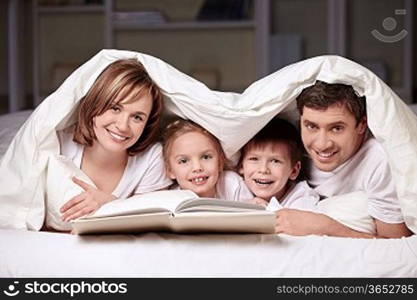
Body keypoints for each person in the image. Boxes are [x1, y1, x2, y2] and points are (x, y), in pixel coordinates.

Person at [275, 80, 412, 238]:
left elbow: (393, 246)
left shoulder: (379, 160)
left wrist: (323, 226)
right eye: (311, 126)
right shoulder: (291, 145)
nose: (322, 144)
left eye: (336, 128)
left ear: (362, 125)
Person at [59, 59, 172, 222]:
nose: (123, 126)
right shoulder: (61, 144)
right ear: (94, 104)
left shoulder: (151, 159)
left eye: (137, 117)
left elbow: (149, 221)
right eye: (115, 108)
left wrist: (109, 203)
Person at [238, 117, 318, 211]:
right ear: (241, 165)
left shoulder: (303, 198)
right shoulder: (236, 188)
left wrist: (265, 209)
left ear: (294, 171)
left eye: (275, 161)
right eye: (254, 159)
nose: (263, 170)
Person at [162, 119, 253, 201]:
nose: (197, 168)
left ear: (220, 162)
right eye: (184, 161)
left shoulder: (232, 184)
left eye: (206, 157)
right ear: (170, 170)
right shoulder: (171, 199)